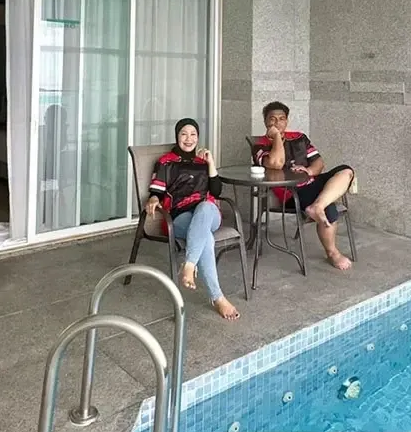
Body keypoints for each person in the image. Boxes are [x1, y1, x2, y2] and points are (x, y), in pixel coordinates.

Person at [145, 118, 240, 321]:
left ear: (198, 138)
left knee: (206, 207)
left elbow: (216, 190)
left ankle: (189, 265)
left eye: (193, 134)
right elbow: (156, 191)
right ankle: (218, 297)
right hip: (178, 217)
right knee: (206, 238)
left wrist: (210, 162)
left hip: (209, 214)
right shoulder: (166, 161)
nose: (189, 139)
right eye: (184, 134)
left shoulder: (202, 162)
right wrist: (153, 198)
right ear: (177, 136)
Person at [252, 101, 355, 271]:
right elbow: (276, 163)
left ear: (287, 121)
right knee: (330, 210)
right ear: (265, 122)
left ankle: (317, 206)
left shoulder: (299, 137)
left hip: (310, 181)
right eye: (272, 119)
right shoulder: (259, 144)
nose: (277, 123)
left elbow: (319, 162)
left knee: (346, 171)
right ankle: (333, 253)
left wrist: (308, 170)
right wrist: (277, 137)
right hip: (291, 191)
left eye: (281, 119)